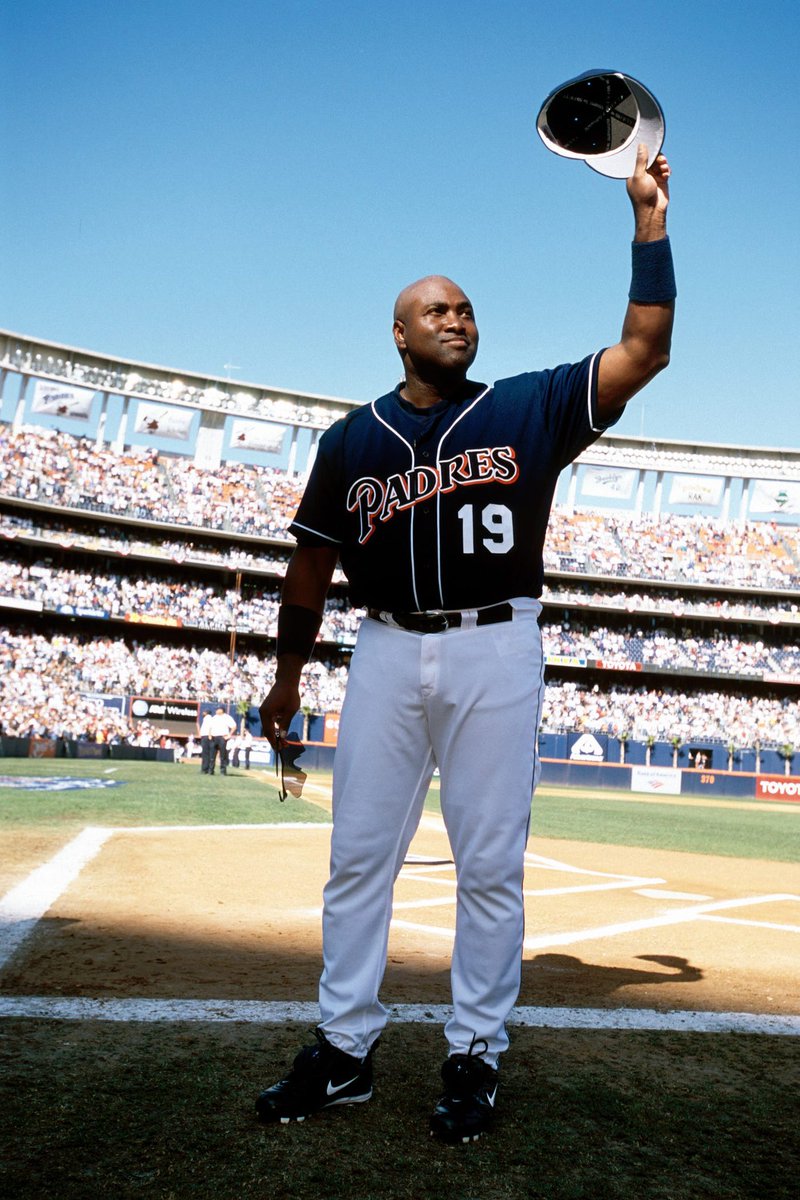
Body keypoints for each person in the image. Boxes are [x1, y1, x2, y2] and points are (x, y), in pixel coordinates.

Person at [256, 144, 675, 1142]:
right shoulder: (349, 440)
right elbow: (309, 571)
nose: (456, 317)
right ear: (397, 333)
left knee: (488, 865)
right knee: (358, 858)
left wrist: (647, 223)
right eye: (435, 309)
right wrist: (284, 681)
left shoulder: (526, 405)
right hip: (387, 651)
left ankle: (474, 1054)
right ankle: (345, 1051)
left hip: (495, 645)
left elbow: (643, 350)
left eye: (466, 308)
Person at [207, 705, 236, 775]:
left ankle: (223, 771)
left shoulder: (227, 717)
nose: (216, 711)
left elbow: (234, 726)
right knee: (212, 755)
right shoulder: (214, 717)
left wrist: (229, 735)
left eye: (217, 709)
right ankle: (211, 771)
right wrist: (209, 735)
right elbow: (210, 727)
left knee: (222, 756)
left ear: (222, 710)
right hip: (214, 737)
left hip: (222, 737)